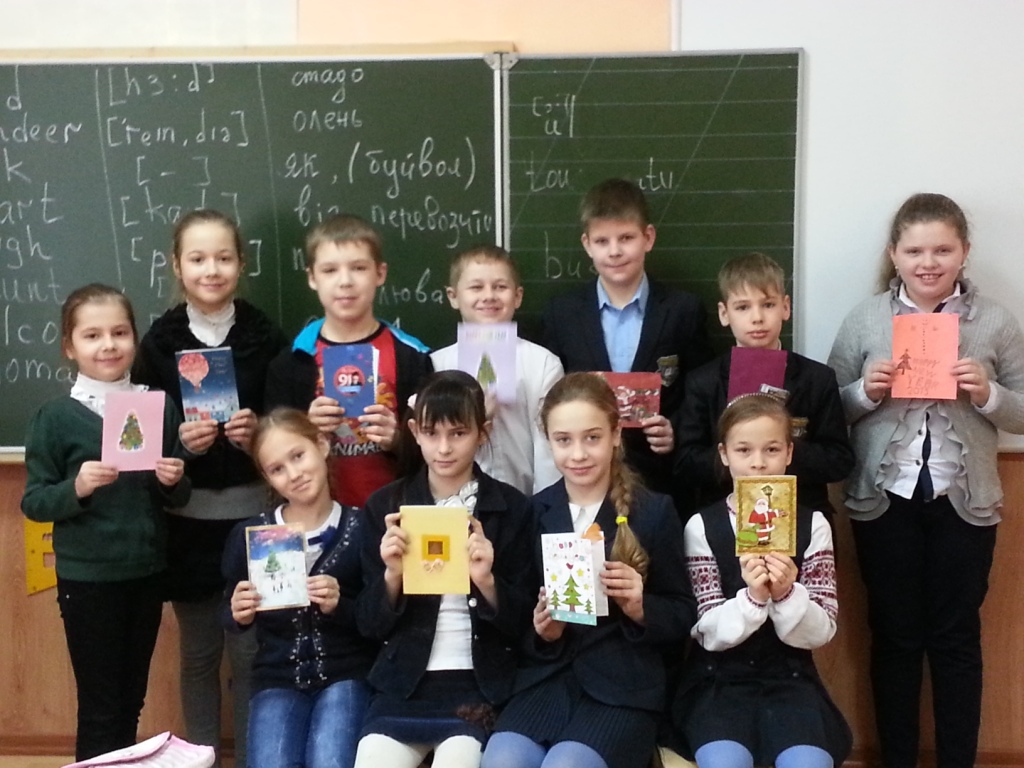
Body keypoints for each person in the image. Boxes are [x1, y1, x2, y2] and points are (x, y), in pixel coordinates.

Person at [827, 192, 1024, 768]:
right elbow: (825, 409)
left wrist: (988, 394)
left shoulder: (994, 320)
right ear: (894, 254)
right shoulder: (866, 318)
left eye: (942, 250)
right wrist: (866, 391)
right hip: (883, 501)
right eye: (914, 251)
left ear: (964, 252)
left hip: (965, 502)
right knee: (895, 639)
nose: (928, 262)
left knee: (957, 638)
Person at [133, 209, 286, 766]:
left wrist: (259, 434)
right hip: (188, 521)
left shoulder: (266, 337)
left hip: (255, 516)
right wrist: (181, 445)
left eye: (223, 257)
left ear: (241, 264)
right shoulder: (158, 343)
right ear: (177, 266)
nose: (211, 269)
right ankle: (201, 757)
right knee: (198, 653)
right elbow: (142, 442)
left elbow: (289, 427)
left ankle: (250, 757)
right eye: (197, 259)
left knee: (249, 653)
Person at [482, 372, 696, 768]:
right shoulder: (534, 511)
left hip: (624, 688)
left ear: (616, 434)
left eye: (592, 438)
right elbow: (519, 618)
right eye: (564, 440)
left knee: (566, 765)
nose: (578, 454)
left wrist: (640, 607)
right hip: (547, 681)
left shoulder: (653, 511)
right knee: (501, 761)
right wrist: (543, 631)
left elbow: (683, 613)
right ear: (548, 441)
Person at [21, 283, 190, 761]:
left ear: (135, 337)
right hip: (89, 579)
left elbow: (177, 495)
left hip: (146, 571)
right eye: (92, 335)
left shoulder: (156, 406)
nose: (108, 345)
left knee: (131, 701)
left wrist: (173, 479)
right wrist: (76, 487)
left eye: (119, 332)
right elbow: (34, 502)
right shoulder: (56, 417)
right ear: (69, 347)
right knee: (100, 707)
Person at [354, 370, 534, 768]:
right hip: (403, 684)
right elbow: (367, 625)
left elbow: (525, 625)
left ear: (483, 432)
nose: (444, 448)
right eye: (431, 433)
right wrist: (392, 576)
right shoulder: (385, 506)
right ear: (414, 432)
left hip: (479, 684)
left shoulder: (512, 508)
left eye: (459, 433)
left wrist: (487, 582)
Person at [669, 394, 851, 768]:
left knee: (809, 763)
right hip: (718, 682)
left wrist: (786, 594)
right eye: (743, 450)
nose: (758, 463)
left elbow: (823, 630)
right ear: (724, 454)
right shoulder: (702, 526)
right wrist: (752, 598)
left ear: (789, 452)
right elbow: (705, 630)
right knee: (725, 762)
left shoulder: (812, 524)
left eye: (771, 449)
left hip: (790, 679)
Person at [541, 178, 711, 506]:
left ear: (648, 238)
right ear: (587, 244)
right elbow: (552, 396)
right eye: (602, 241)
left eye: (626, 238)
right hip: (584, 481)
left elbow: (701, 391)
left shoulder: (683, 310)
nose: (615, 251)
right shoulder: (562, 314)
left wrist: (676, 429)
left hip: (662, 481)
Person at [222, 408, 376, 768]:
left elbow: (377, 619)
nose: (294, 474)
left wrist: (341, 604)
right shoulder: (251, 536)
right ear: (267, 477)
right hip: (276, 677)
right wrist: (237, 612)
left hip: (347, 674)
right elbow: (228, 613)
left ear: (321, 445)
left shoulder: (362, 527)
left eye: (298, 456)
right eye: (277, 469)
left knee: (330, 760)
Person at [265, 213, 433, 508]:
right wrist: (305, 429)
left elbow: (438, 449)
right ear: (312, 278)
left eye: (358, 268)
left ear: (380, 273)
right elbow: (271, 453)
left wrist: (398, 440)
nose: (345, 282)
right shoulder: (290, 363)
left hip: (395, 514)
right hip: (317, 517)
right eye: (330, 270)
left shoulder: (412, 357)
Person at [674, 252, 853, 515]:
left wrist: (777, 450)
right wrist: (741, 454)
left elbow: (839, 460)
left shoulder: (816, 378)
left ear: (785, 307)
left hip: (801, 513)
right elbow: (686, 463)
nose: (757, 318)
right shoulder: (703, 382)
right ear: (724, 313)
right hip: (726, 516)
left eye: (768, 305)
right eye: (742, 307)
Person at [431, 244, 563, 494]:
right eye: (476, 287)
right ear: (453, 296)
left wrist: (544, 506)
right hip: (454, 503)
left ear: (518, 296)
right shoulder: (437, 365)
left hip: (525, 500)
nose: (489, 296)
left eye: (500, 287)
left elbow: (549, 447)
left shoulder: (543, 363)